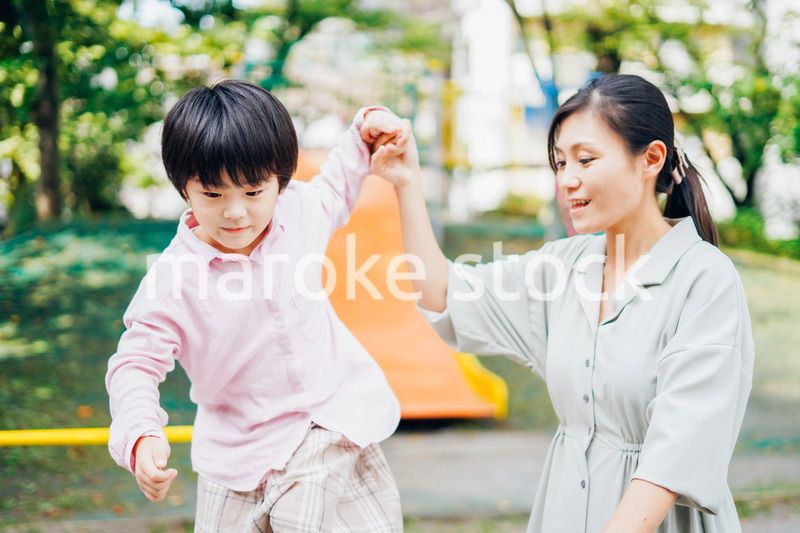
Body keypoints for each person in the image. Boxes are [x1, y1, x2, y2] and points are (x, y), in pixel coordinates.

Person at [372, 73, 754, 532]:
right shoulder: (563, 268)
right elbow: (443, 294)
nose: (567, 180)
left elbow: (675, 453)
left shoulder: (705, 280)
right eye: (559, 163)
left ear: (651, 158)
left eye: (585, 160)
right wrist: (406, 183)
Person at [106, 79, 411, 532]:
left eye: (252, 193)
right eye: (213, 194)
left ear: (280, 182)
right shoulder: (174, 280)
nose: (235, 213)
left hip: (327, 425)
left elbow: (337, 188)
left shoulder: (298, 212)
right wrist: (141, 433)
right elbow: (135, 363)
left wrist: (365, 130)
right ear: (183, 188)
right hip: (241, 450)